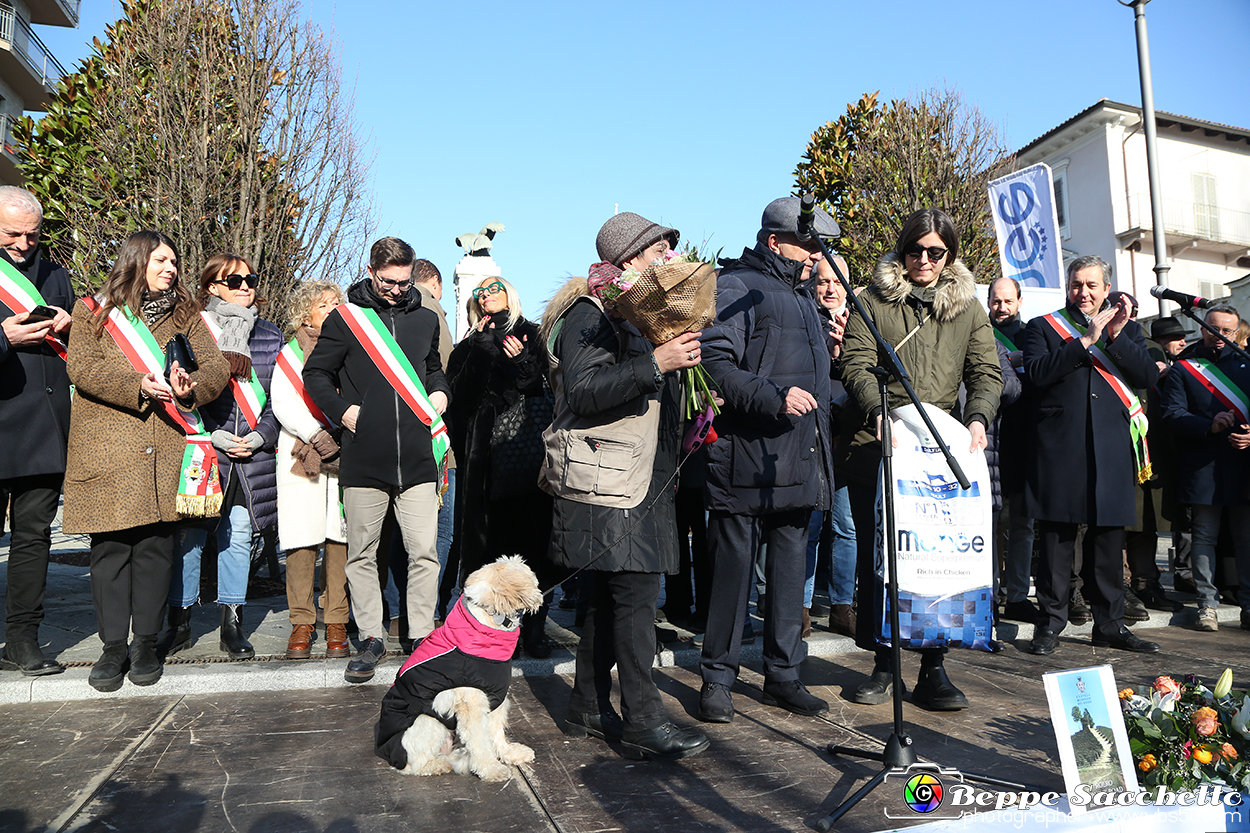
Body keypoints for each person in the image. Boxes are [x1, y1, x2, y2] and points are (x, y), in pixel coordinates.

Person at [541, 211, 708, 760]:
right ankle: (643, 719)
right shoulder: (588, 314)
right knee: (636, 604)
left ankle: (586, 707)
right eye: (660, 252)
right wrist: (658, 362)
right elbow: (585, 392)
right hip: (609, 483)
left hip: (635, 478)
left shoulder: (636, 316)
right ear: (629, 260)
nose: (670, 261)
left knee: (606, 606)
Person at [838, 208, 1002, 710]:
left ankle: (934, 667)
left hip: (940, 452)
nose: (925, 260)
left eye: (936, 252)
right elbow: (856, 364)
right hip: (880, 447)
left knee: (936, 560)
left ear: (949, 255)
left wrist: (977, 418)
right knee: (881, 558)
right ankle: (883, 664)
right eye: (916, 250)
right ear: (902, 249)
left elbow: (986, 372)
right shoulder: (871, 300)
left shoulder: (969, 307)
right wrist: (877, 411)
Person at [63, 231, 229, 691]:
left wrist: (189, 385)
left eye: (174, 261)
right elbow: (83, 368)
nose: (171, 268)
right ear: (136, 261)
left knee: (157, 549)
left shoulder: (186, 315)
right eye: (161, 260)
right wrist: (138, 383)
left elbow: (214, 369)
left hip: (166, 447)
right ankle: (113, 646)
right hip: (109, 450)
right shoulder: (92, 311)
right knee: (111, 551)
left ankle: (145, 644)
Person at [696, 196, 837, 724]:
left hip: (797, 461)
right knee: (732, 576)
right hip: (744, 460)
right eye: (806, 245)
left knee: (787, 574)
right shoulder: (737, 285)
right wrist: (773, 396)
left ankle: (784, 674)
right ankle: (717, 679)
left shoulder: (802, 297)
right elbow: (714, 363)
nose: (814, 256)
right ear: (775, 242)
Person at [304, 237, 450, 683]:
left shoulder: (425, 318)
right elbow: (316, 373)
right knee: (362, 554)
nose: (397, 290)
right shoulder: (346, 320)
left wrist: (442, 391)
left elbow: (432, 368)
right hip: (365, 456)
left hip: (419, 458)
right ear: (371, 271)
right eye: (389, 282)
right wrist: (344, 411)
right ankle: (370, 637)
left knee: (424, 552)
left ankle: (421, 635)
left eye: (405, 282)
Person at [1024, 255, 1160, 656]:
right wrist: (1084, 341)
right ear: (1068, 287)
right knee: (1056, 543)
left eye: (1092, 285)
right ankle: (1049, 624)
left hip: (1110, 448)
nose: (1084, 292)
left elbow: (1149, 377)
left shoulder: (1127, 330)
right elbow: (1034, 374)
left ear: (1106, 289)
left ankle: (1110, 625)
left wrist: (1114, 338)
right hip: (1059, 446)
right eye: (1077, 284)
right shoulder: (1043, 327)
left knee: (1106, 542)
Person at [164, 254, 282, 659]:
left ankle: (232, 624)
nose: (246, 286)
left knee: (238, 536)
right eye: (234, 281)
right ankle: (178, 623)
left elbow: (277, 400)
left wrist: (261, 436)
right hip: (204, 449)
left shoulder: (269, 334)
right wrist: (208, 435)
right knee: (191, 538)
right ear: (212, 287)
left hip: (250, 455)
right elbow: (176, 389)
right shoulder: (194, 329)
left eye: (251, 278)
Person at [445, 275, 555, 658]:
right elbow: (459, 399)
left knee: (534, 542)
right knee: (485, 543)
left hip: (527, 452)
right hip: (483, 459)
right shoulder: (470, 344)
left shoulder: (535, 335)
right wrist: (479, 350)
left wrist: (524, 364)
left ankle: (535, 628)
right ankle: (489, 627)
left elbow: (550, 390)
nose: (487, 294)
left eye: (495, 287)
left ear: (511, 291)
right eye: (480, 291)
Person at [0, 187, 73, 676]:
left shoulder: (55, 276)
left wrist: (71, 328)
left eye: (32, 233)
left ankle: (22, 639)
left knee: (33, 540)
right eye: (12, 234)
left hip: (43, 430)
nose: (25, 244)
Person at [1158, 304, 1250, 632]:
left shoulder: (1248, 365)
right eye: (1214, 329)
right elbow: (1172, 414)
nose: (1220, 336)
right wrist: (1207, 426)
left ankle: (1248, 606)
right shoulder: (1184, 369)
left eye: (1228, 331)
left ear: (1238, 332)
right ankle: (1206, 606)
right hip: (1203, 465)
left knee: (1245, 538)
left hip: (1243, 464)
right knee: (1204, 537)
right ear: (1202, 328)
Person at [272, 280, 349, 660]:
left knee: (340, 536)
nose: (333, 308)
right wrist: (318, 434)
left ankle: (336, 618)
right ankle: (302, 619)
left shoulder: (352, 350)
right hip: (302, 451)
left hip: (346, 449)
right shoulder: (289, 354)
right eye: (324, 305)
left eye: (337, 302)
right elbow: (283, 402)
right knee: (302, 538)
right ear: (306, 314)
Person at [807, 255, 857, 638]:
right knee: (807, 527)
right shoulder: (803, 316)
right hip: (808, 437)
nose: (829, 288)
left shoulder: (861, 323)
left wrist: (843, 354)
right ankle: (801, 608)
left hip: (848, 439)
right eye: (823, 281)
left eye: (836, 281)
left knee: (845, 526)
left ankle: (842, 606)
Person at [987, 276, 1037, 623]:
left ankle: (1017, 595)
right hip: (987, 442)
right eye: (995, 301)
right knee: (988, 526)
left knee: (1022, 524)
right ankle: (988, 594)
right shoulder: (978, 334)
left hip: (1023, 440)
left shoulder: (1033, 336)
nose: (1001, 307)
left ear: (1020, 302)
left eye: (1007, 301)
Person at [412, 260, 459, 619]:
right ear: (436, 283)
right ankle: (425, 612)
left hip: (402, 438)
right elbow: (442, 367)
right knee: (438, 532)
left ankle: (401, 609)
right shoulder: (430, 308)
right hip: (435, 440)